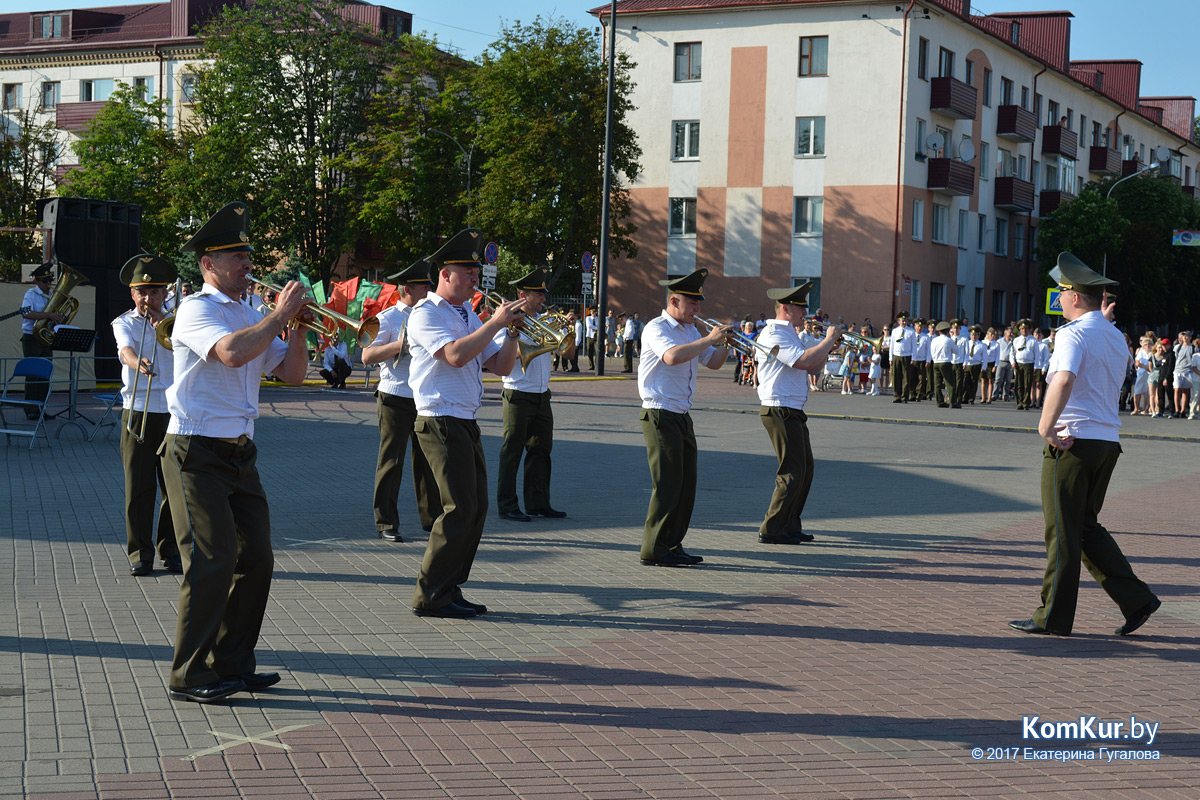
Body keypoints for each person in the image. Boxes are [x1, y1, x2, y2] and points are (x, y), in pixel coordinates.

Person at [161, 201, 313, 703]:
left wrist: (300, 329)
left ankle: (232, 662)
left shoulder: (251, 312)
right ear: (208, 264)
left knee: (259, 558)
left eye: (248, 255)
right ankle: (189, 672)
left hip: (240, 452)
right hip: (195, 449)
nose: (248, 264)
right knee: (213, 558)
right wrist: (278, 314)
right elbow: (231, 353)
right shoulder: (195, 309)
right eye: (236, 256)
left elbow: (291, 374)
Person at [1009, 253, 1160, 637]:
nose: (1058, 297)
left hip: (1072, 441)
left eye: (1061, 291)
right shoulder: (1113, 334)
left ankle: (1052, 617)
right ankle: (1137, 600)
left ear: (1076, 297)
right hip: (1106, 441)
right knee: (1083, 527)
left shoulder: (1072, 334)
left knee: (1061, 530)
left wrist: (1045, 426)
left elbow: (1063, 380)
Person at [407, 228, 525, 618]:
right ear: (445, 273)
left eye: (476, 271)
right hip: (439, 419)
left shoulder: (467, 313)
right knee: (458, 508)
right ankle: (430, 593)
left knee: (476, 507)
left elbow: (501, 366)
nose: (476, 277)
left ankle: (449, 585)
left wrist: (511, 333)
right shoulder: (425, 313)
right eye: (468, 270)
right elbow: (455, 356)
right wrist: (494, 323)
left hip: (463, 419)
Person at [638, 268, 730, 567]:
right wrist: (709, 339)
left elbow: (714, 363)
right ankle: (653, 547)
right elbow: (672, 357)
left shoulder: (690, 331)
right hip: (659, 412)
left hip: (681, 413)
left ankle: (672, 542)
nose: (698, 309)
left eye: (699, 302)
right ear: (674, 300)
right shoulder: (656, 328)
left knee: (686, 482)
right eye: (693, 303)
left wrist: (726, 343)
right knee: (667, 482)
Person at [112, 254, 182, 577]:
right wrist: (135, 360)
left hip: (172, 411)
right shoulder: (123, 323)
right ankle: (140, 553)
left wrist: (162, 329)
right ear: (132, 294)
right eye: (141, 291)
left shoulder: (178, 322)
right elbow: (124, 349)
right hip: (139, 411)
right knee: (138, 486)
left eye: (154, 292)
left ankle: (172, 549)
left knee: (175, 488)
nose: (147, 298)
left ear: (164, 293)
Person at [755, 284, 842, 544]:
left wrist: (829, 348)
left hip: (792, 407)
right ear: (785, 308)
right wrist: (827, 340)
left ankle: (790, 523)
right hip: (779, 406)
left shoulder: (790, 333)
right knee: (792, 470)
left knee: (805, 469)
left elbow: (812, 367)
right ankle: (772, 528)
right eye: (800, 307)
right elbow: (802, 361)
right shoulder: (773, 334)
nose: (805, 312)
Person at [361, 258, 437, 543]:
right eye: (425, 286)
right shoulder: (388, 317)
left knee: (428, 462)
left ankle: (431, 521)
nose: (430, 290)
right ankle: (386, 522)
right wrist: (400, 345)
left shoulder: (429, 314)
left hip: (421, 396)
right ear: (408, 288)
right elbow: (367, 356)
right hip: (394, 396)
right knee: (391, 461)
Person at [494, 269, 566, 522]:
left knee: (541, 450)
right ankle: (507, 505)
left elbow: (567, 354)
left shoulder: (546, 320)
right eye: (539, 295)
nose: (544, 299)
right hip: (517, 392)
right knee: (512, 450)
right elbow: (498, 357)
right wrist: (530, 344)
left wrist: (566, 336)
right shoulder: (506, 320)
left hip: (541, 394)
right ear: (523, 295)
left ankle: (538, 503)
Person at [19, 263, 61, 418]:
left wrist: (56, 319)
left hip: (45, 337)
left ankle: (41, 409)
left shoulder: (51, 295)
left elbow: (52, 316)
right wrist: (49, 315)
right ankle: (30, 410)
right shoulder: (31, 293)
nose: (48, 284)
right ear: (37, 281)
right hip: (31, 338)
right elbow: (26, 313)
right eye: (45, 281)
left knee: (45, 375)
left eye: (49, 280)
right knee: (33, 374)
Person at [930, 321, 959, 408]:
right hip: (945, 362)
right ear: (947, 331)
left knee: (937, 384)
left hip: (936, 362)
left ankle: (939, 402)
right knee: (950, 383)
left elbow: (932, 352)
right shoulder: (949, 340)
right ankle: (952, 402)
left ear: (939, 331)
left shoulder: (934, 340)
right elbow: (956, 351)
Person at [1011, 319, 1036, 410]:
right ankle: (1019, 402)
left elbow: (1036, 354)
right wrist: (1013, 362)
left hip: (1028, 364)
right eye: (1022, 329)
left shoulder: (1033, 341)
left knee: (1027, 384)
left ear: (1029, 329)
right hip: (1018, 364)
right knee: (1018, 384)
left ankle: (1026, 403)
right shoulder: (1016, 340)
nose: (1024, 330)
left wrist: (1036, 366)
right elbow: (1012, 353)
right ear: (1019, 330)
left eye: (1025, 328)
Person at [889, 312, 914, 403]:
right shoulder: (895, 331)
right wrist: (890, 358)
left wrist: (913, 358)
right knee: (896, 377)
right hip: (896, 355)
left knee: (906, 377)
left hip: (906, 356)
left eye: (905, 320)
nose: (903, 322)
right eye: (902, 320)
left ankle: (905, 396)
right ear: (899, 321)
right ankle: (897, 396)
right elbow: (892, 345)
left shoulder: (911, 331)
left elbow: (914, 346)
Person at [1172, 331, 1193, 419]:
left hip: (1188, 371)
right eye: (1184, 336)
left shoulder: (1193, 348)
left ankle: (1183, 410)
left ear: (1190, 337)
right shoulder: (1178, 347)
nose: (1185, 338)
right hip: (1178, 371)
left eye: (1187, 336)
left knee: (1185, 391)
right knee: (1177, 390)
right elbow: (1175, 357)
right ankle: (1177, 409)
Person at [994, 325, 1014, 401]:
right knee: (998, 379)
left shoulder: (1014, 341)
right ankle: (994, 395)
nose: (1011, 334)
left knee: (1008, 381)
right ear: (1005, 333)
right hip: (1001, 361)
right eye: (1010, 333)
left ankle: (1005, 396)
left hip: (1010, 363)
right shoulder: (999, 342)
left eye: (1012, 333)